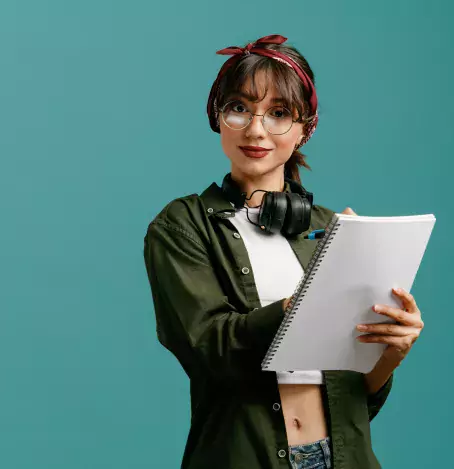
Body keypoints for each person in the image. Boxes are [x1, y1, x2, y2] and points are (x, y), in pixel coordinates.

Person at [143, 34, 425, 469]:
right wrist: (303, 306)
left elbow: (354, 393)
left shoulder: (332, 230)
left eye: (279, 114)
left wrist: (391, 353)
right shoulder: (183, 226)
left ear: (304, 128)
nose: (256, 130)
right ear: (217, 117)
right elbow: (207, 349)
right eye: (239, 108)